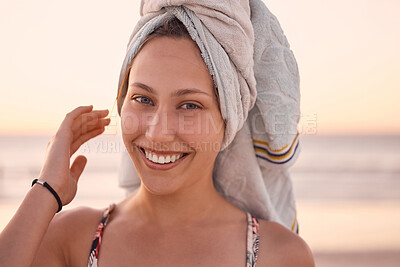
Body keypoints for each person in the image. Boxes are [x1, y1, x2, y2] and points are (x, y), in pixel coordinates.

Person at [0, 4, 315, 267]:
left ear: (227, 121)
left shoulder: (279, 255)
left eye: (189, 105)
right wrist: (46, 192)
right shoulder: (71, 239)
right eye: (143, 99)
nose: (158, 132)